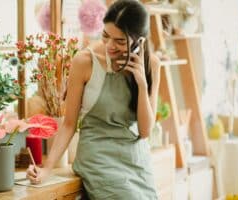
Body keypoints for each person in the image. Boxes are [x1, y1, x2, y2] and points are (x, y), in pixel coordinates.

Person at [26, 0, 161, 199]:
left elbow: (145, 131)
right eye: (106, 36)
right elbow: (69, 124)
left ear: (139, 41)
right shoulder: (84, 62)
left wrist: (141, 83)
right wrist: (47, 169)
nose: (110, 46)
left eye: (120, 41)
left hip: (137, 162)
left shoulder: (152, 65)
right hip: (98, 159)